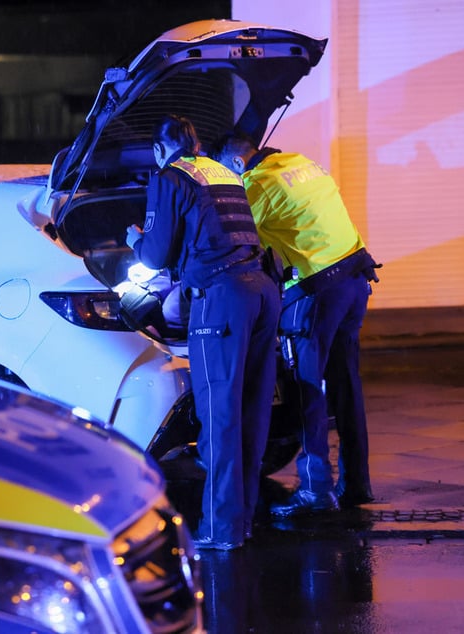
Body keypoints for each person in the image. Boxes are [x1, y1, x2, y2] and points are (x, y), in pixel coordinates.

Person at [126, 115, 281, 549]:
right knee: (252, 411)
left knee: (219, 414)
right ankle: (243, 521)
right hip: (263, 292)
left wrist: (136, 239)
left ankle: (221, 530)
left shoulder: (169, 176)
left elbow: (156, 256)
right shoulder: (218, 170)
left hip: (223, 297)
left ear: (161, 149)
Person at [211, 132, 381, 518]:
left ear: (236, 164)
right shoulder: (299, 162)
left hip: (319, 291)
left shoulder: (258, 185)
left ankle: (315, 490)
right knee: (346, 385)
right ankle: (357, 483)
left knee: (307, 389)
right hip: (356, 280)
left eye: (226, 175)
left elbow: (232, 240)